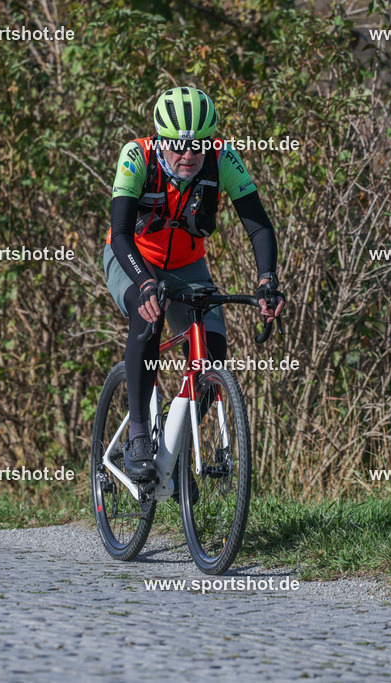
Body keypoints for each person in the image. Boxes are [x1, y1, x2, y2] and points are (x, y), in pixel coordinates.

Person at [102, 86, 284, 482]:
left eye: (198, 145)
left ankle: (176, 445)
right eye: (179, 146)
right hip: (132, 258)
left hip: (188, 266)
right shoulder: (136, 156)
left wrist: (267, 280)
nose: (189, 155)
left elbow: (259, 226)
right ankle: (138, 435)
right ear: (160, 139)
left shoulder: (223, 158)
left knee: (212, 353)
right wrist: (145, 284)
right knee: (147, 314)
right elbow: (120, 233)